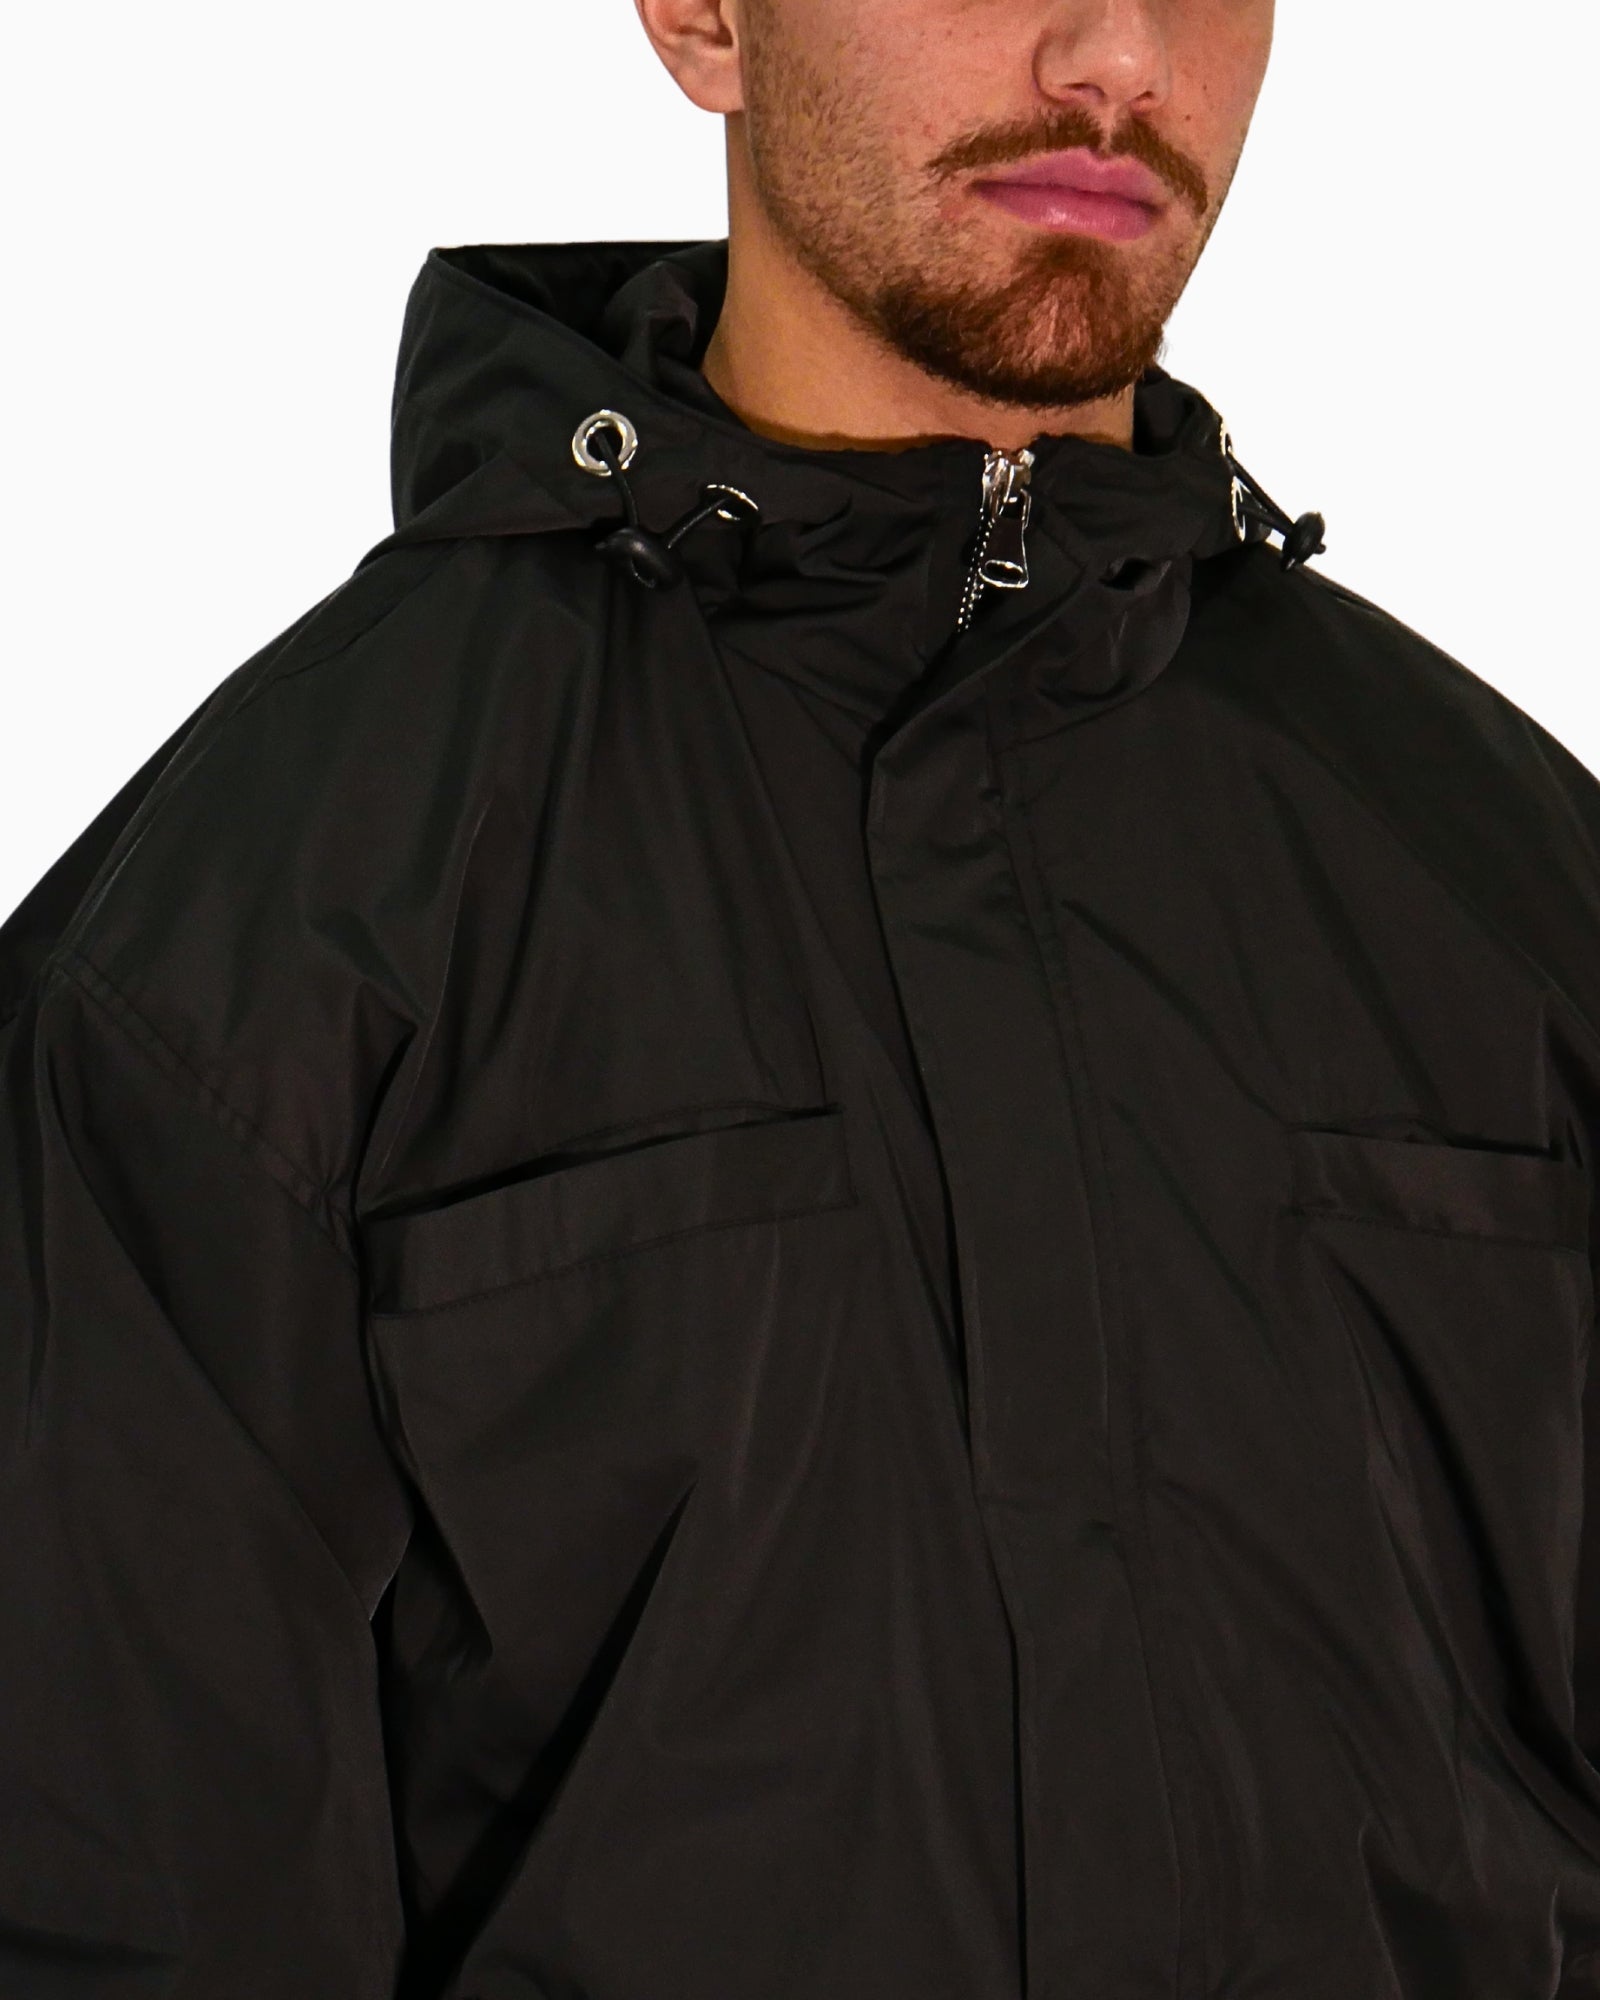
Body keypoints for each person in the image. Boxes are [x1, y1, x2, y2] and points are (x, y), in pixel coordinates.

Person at [4, 0, 1600, 1992]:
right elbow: (114, 1906)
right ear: (703, 15)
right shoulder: (267, 936)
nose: (1119, 51)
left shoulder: (1507, 880)